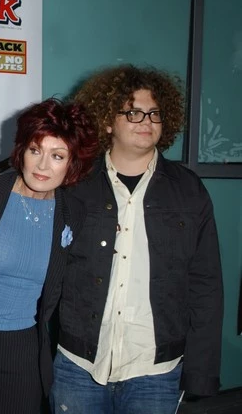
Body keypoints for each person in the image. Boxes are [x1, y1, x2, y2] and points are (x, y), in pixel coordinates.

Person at [50, 65, 224, 414]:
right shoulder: (74, 184)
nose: (146, 120)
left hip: (155, 371)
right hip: (78, 365)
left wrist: (200, 373)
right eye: (133, 111)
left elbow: (206, 285)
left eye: (154, 113)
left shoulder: (189, 190)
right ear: (107, 122)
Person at [0, 98, 99, 413]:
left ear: (73, 163)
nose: (43, 165)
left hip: (24, 348)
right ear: (21, 150)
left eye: (57, 156)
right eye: (35, 150)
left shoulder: (72, 211)